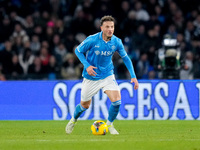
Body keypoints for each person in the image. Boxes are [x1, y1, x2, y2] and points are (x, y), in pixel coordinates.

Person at [65, 16, 139, 135]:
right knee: (85, 105)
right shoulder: (92, 39)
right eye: (107, 27)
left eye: (112, 27)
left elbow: (126, 58)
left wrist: (133, 76)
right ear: (101, 28)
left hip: (107, 75)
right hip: (91, 77)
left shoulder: (116, 41)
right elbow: (78, 50)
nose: (110, 29)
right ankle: (73, 120)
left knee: (117, 101)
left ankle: (109, 124)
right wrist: (87, 65)